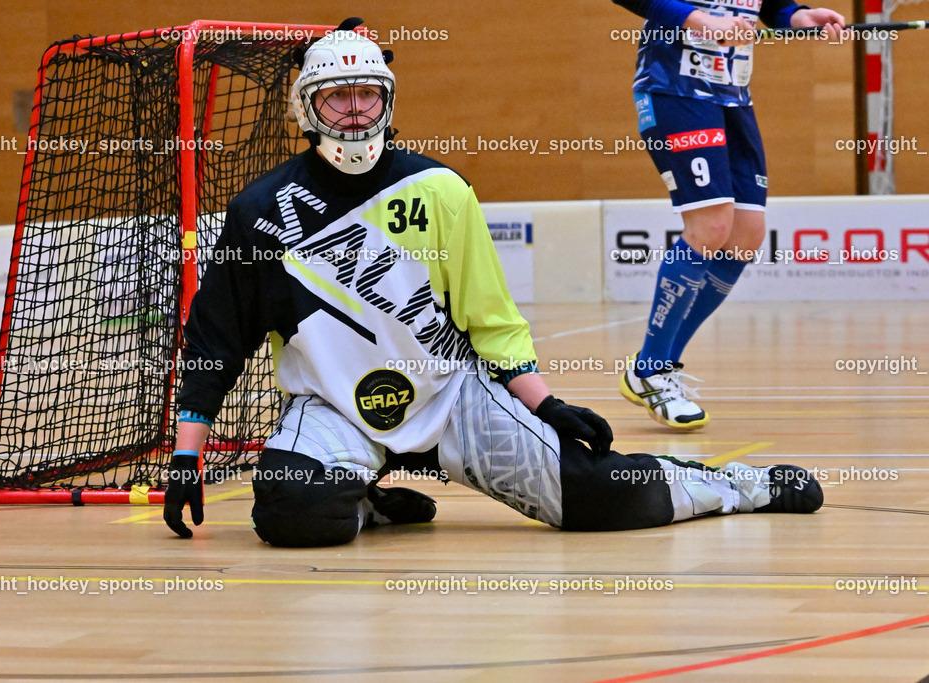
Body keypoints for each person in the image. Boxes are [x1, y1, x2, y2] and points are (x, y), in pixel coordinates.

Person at [162, 19, 823, 547]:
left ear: (388, 102)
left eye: (369, 95)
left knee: (598, 497)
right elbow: (218, 336)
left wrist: (545, 405)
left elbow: (491, 318)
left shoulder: (440, 190)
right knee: (290, 509)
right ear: (309, 108)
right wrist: (187, 456)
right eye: (339, 97)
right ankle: (364, 494)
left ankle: (739, 485)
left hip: (455, 397)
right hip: (337, 408)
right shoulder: (261, 212)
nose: (356, 113)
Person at [612, 0, 846, 429]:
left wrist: (798, 16)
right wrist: (704, 21)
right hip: (674, 90)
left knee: (745, 235)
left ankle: (653, 362)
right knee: (711, 226)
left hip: (733, 94)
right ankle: (651, 372)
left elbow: (769, 6)